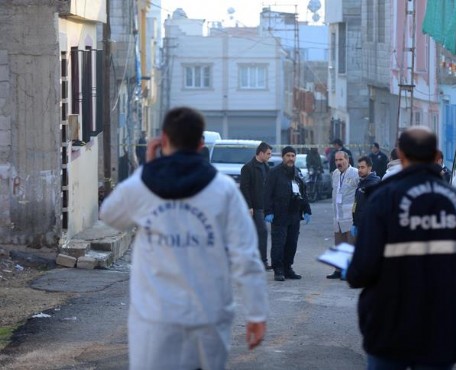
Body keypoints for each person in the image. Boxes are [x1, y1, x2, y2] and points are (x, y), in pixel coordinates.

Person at [99, 107, 268, 370]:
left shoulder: (142, 185)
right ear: (201, 144)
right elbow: (246, 255)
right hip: (208, 319)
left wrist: (149, 166)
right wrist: (256, 313)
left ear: (163, 139)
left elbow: (110, 214)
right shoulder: (223, 189)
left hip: (155, 320)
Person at [346, 126, 456, 370]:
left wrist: (350, 270)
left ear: (400, 154)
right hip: (442, 326)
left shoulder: (383, 199)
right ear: (436, 155)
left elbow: (362, 270)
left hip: (389, 324)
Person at [264, 146, 312, 282]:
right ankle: (278, 269)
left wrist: (307, 209)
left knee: (292, 243)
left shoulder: (297, 173)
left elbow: (303, 192)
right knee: (279, 243)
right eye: (288, 156)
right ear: (283, 157)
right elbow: (267, 194)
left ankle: (287, 268)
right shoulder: (274, 173)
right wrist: (268, 211)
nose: (291, 158)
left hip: (294, 214)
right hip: (279, 214)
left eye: (293, 156)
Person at [326, 150, 360, 280]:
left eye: (341, 160)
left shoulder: (355, 173)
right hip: (338, 216)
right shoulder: (335, 174)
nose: (339, 163)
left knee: (350, 245)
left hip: (350, 217)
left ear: (348, 160)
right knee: (339, 244)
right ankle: (338, 269)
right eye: (336, 160)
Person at [240, 141, 273, 270]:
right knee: (262, 232)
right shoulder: (248, 168)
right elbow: (245, 188)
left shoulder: (266, 167)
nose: (270, 156)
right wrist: (249, 206)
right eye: (268, 153)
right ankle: (262, 261)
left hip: (264, 206)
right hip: (255, 206)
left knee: (258, 233)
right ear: (261, 153)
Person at [351, 156, 380, 238]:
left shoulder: (373, 184)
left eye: (362, 167)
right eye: (358, 167)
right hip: (359, 224)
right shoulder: (362, 182)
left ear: (370, 168)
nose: (359, 170)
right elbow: (357, 204)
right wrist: (355, 223)